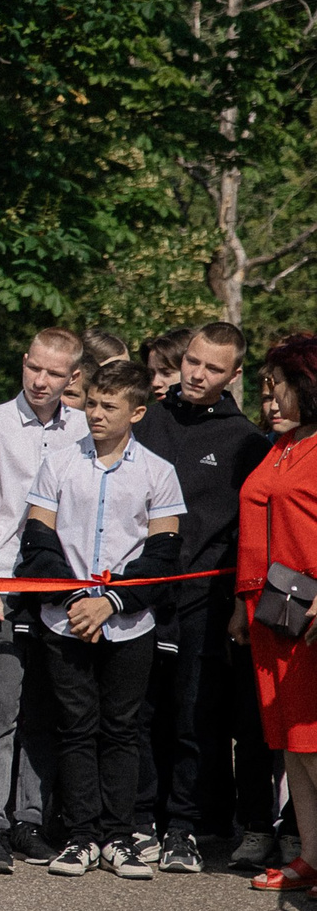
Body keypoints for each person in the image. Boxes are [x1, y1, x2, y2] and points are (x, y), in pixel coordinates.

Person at [12, 359, 186, 878]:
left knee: (122, 729)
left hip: (130, 624)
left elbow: (162, 557)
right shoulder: (59, 464)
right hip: (66, 620)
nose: (96, 414)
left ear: (136, 411)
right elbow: (37, 542)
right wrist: (78, 599)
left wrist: (110, 602)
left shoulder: (158, 471)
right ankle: (83, 835)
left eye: (109, 406)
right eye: (91, 403)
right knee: (75, 727)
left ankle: (119, 835)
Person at [134, 322, 270, 872]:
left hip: (205, 598)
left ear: (234, 376)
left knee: (193, 717)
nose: (197, 373)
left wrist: (240, 601)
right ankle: (138, 821)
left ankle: (184, 829)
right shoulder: (149, 417)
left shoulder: (247, 442)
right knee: (135, 714)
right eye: (192, 361)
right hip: (139, 591)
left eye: (213, 368)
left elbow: (250, 531)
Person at [0, 328, 87, 870]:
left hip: (60, 584)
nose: (41, 381)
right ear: (24, 362)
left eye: (55, 374)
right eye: (35, 368)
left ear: (72, 379)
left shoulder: (85, 428)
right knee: (3, 702)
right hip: (3, 580)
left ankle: (29, 819)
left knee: (44, 705)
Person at [233, 334, 317, 892]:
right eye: (264, 395)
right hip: (269, 615)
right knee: (289, 742)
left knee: (314, 739)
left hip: (309, 614)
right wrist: (242, 605)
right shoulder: (278, 447)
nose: (269, 405)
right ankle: (311, 853)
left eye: (277, 392)